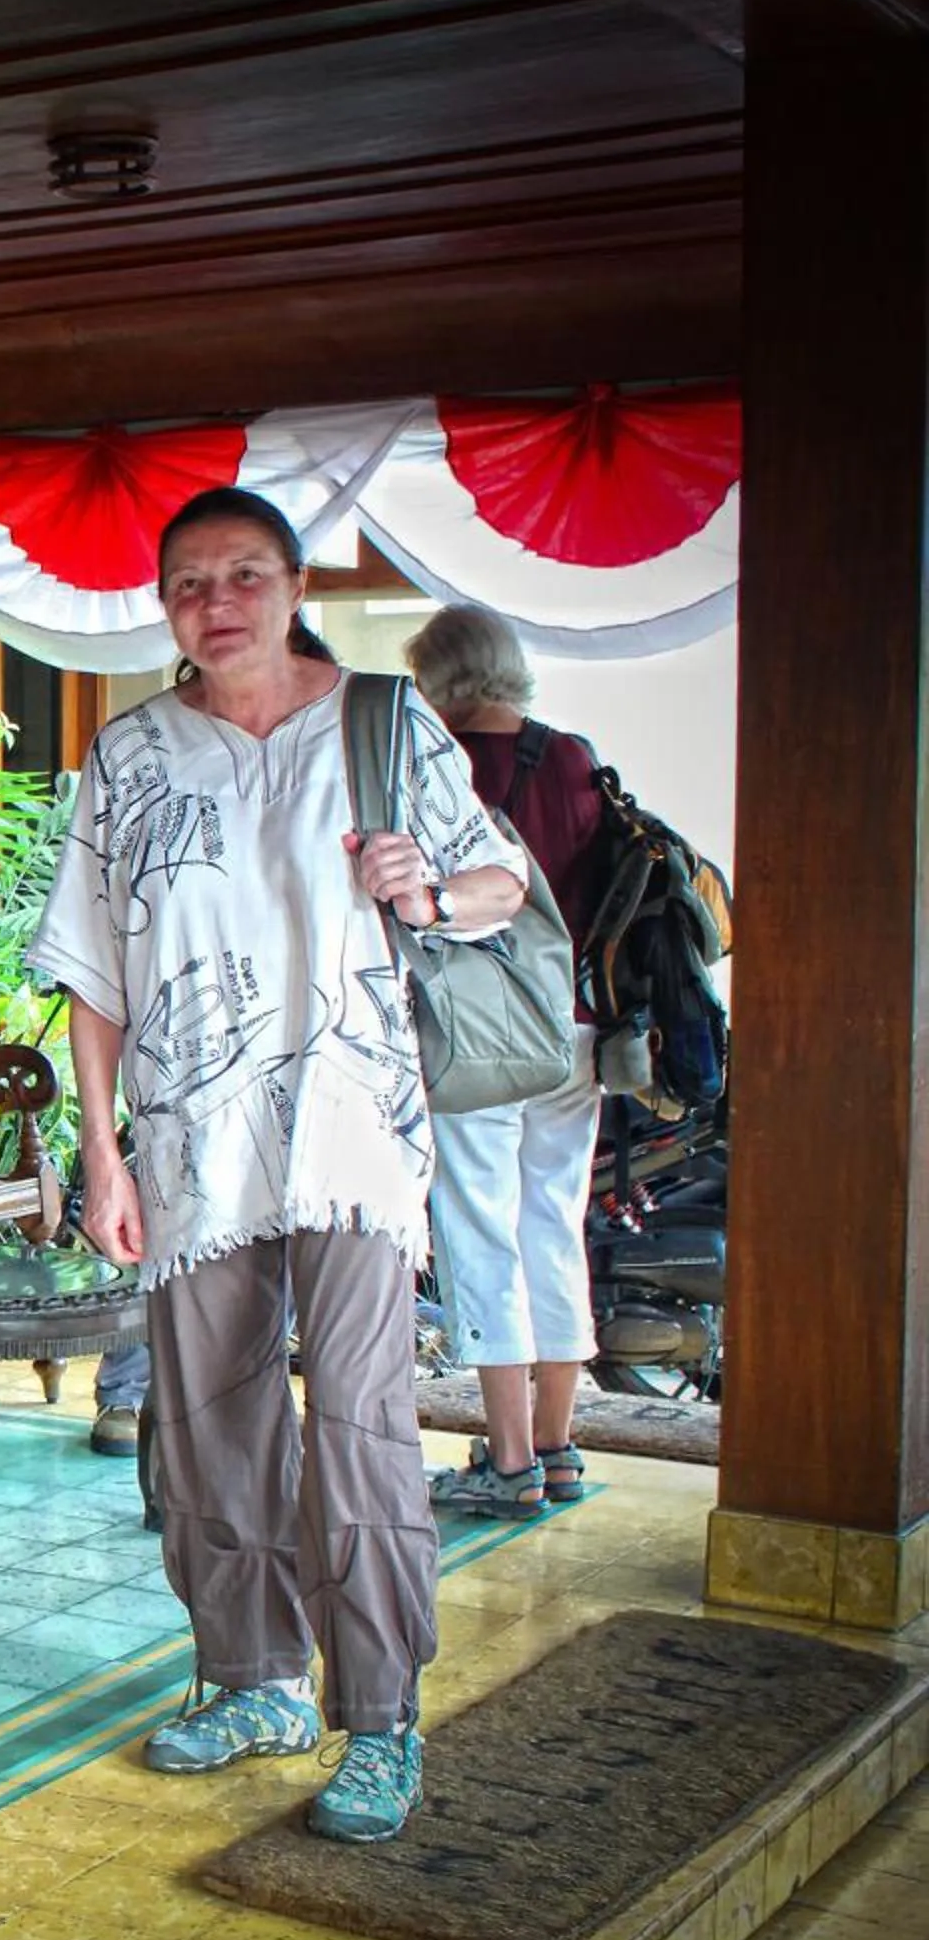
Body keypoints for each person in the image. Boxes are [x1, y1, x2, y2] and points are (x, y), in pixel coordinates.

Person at [27, 487, 529, 1844]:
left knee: (360, 1423)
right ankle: (251, 1679)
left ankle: (381, 1718)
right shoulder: (129, 755)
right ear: (164, 603)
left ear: (292, 583)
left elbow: (502, 883)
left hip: (356, 1134)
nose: (218, 601)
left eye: (245, 573)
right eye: (189, 582)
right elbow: (93, 972)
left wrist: (423, 887)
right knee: (208, 1425)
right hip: (193, 1146)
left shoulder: (379, 720)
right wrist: (103, 1150)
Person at [405, 604, 609, 1518]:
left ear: (440, 679)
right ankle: (560, 1445)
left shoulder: (450, 770)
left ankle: (510, 1459)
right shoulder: (570, 757)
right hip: (576, 1031)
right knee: (552, 1226)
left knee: (481, 1228)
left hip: (483, 1034)